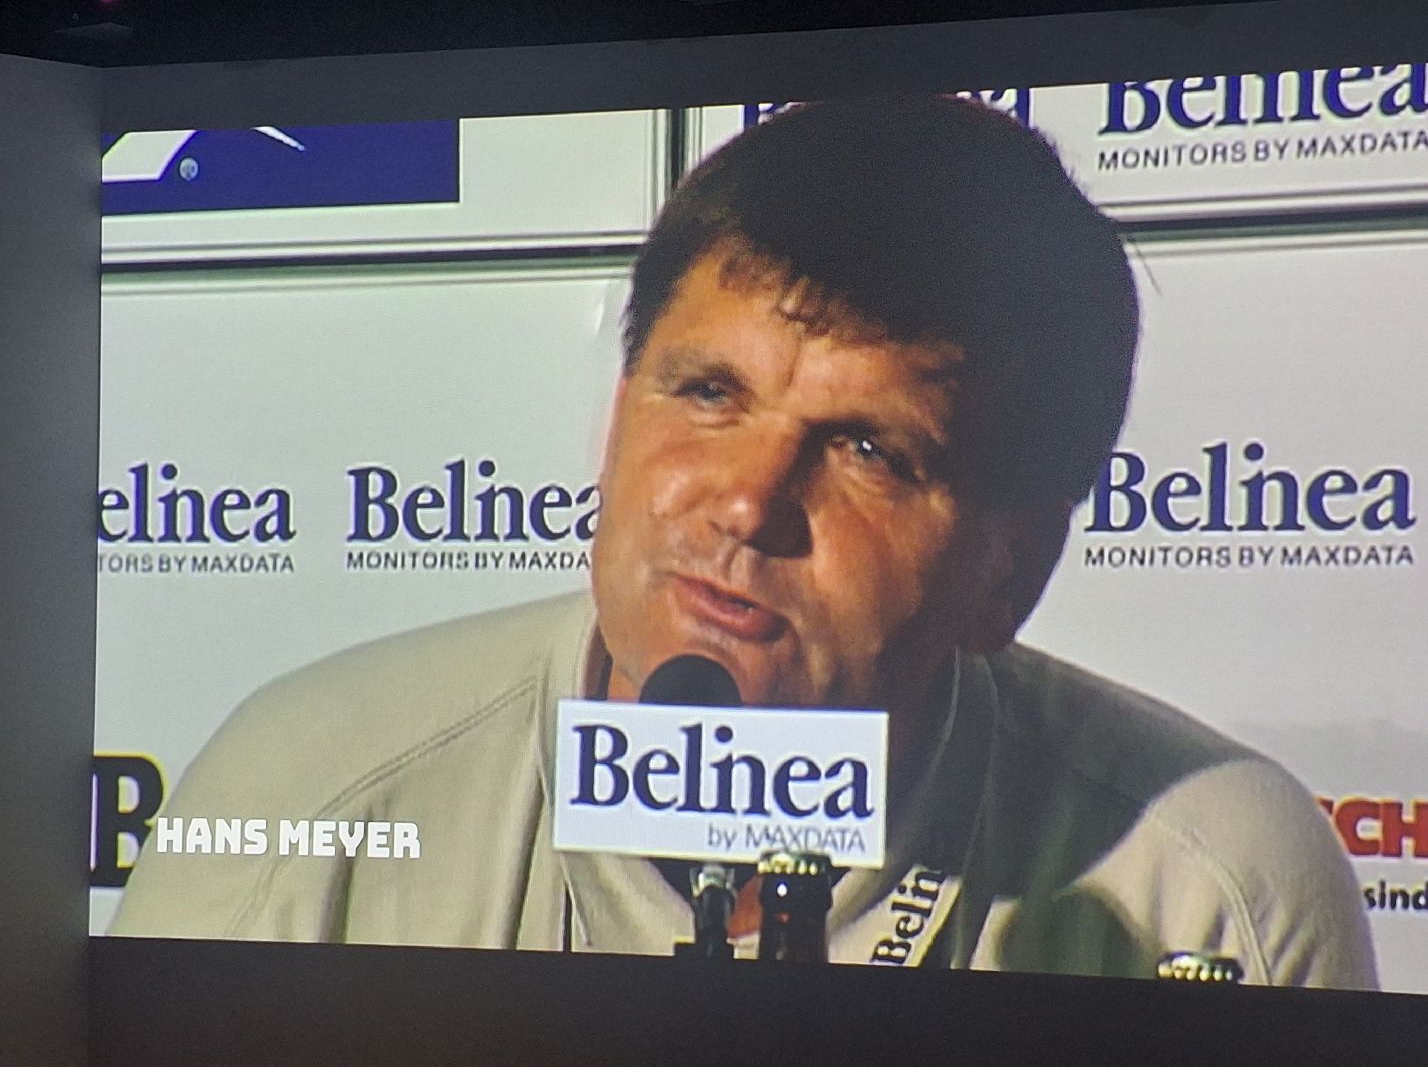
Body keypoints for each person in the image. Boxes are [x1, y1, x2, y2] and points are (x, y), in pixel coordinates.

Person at [110, 96, 1376, 987]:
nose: (745, 503)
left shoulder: (1214, 884)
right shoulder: (310, 796)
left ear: (1012, 569)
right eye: (709, 393)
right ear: (617, 416)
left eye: (870, 449)